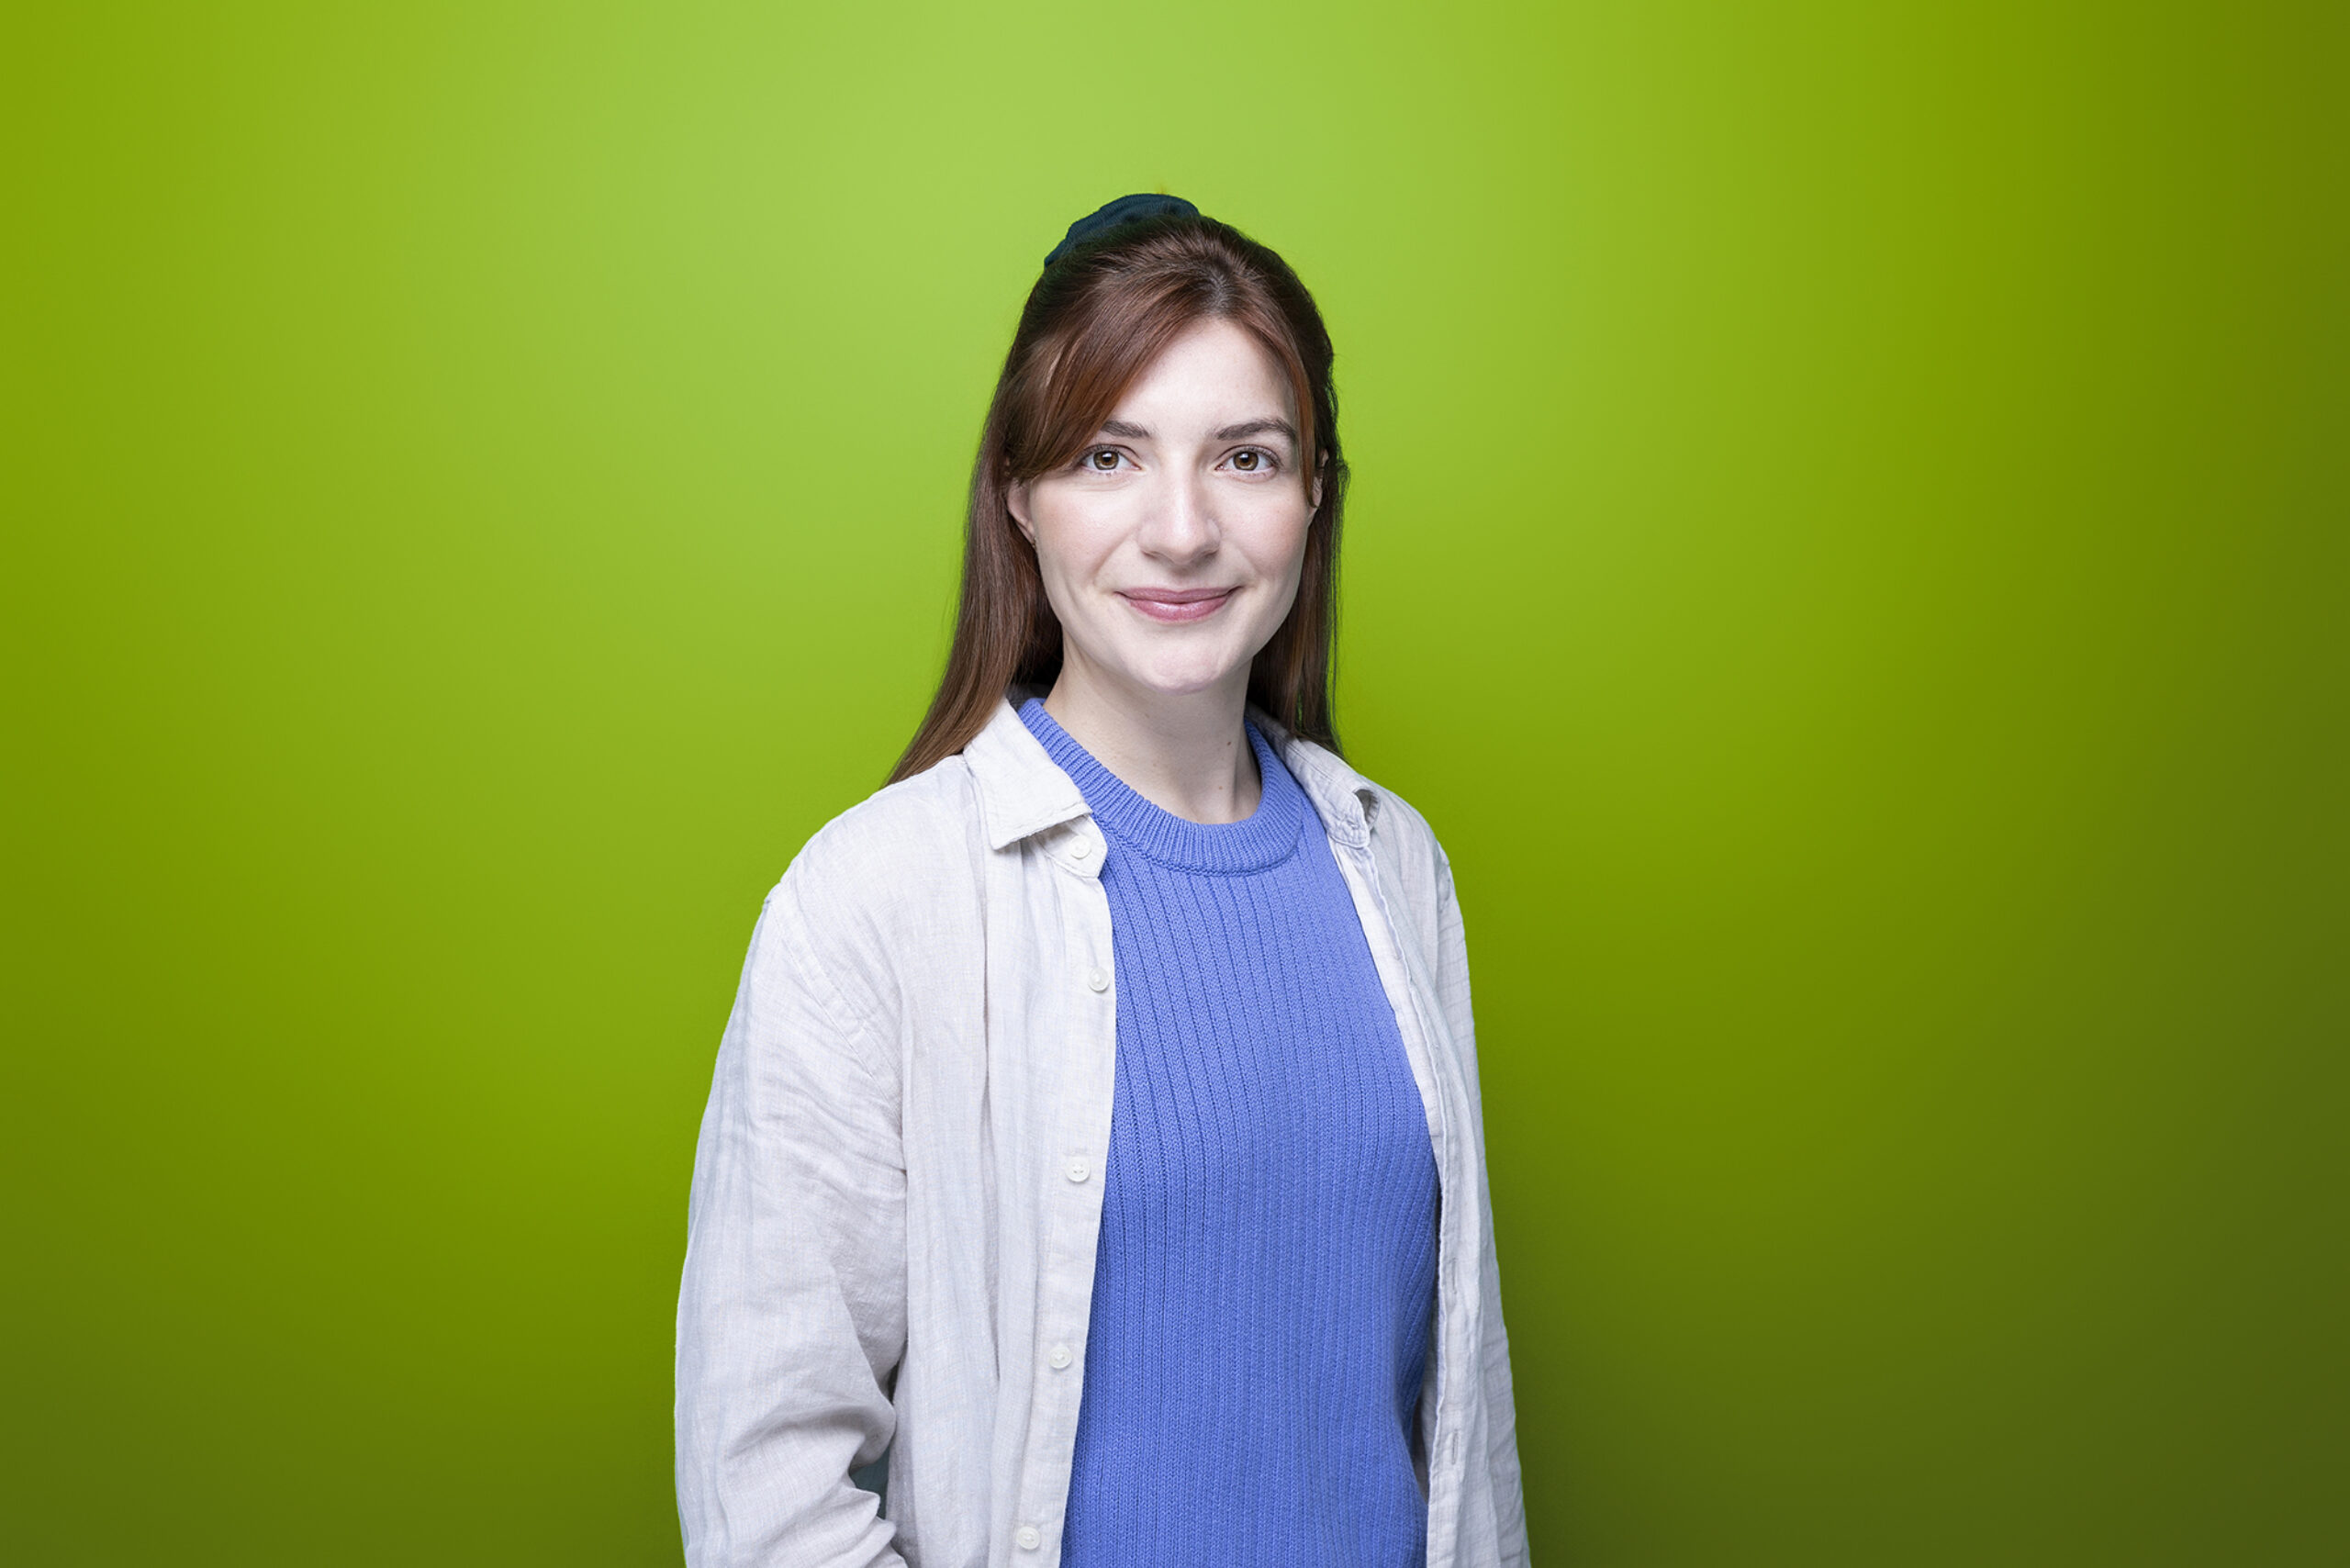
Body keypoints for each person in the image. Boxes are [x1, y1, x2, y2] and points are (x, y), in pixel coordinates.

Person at [675, 194, 1527, 1568]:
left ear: (1315, 493)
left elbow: (1457, 1430)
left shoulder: (1395, 865)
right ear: (1019, 495)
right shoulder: (873, 901)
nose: (1182, 531)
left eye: (1246, 458)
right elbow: (764, 1484)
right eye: (1108, 457)